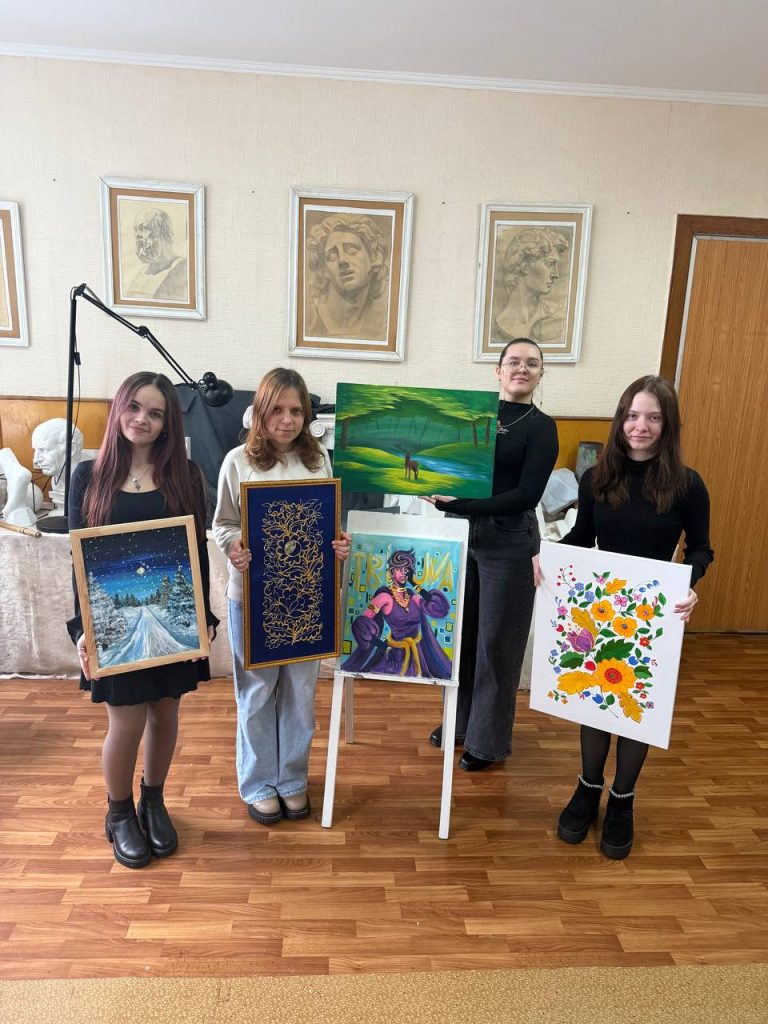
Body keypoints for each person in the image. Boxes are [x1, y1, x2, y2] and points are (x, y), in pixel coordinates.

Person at [542, 375, 713, 859]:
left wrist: (689, 584)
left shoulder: (688, 485)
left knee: (638, 708)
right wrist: (545, 556)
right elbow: (581, 539)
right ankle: (588, 787)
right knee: (596, 700)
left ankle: (622, 799)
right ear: (621, 420)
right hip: (602, 609)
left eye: (654, 418)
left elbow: (701, 549)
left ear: (668, 425)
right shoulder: (596, 478)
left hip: (654, 614)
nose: (641, 426)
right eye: (633, 416)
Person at [67, 371, 218, 869]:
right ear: (118, 409)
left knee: (166, 712)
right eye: (134, 407)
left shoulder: (187, 475)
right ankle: (119, 812)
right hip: (112, 627)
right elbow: (78, 560)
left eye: (155, 413)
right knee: (126, 720)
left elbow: (197, 552)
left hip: (175, 621)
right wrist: (83, 629)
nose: (142, 420)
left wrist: (203, 616)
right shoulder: (88, 476)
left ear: (168, 423)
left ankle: (153, 800)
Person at [212, 368, 350, 826]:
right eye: (277, 410)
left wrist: (339, 542)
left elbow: (328, 522)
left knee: (299, 694)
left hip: (307, 595)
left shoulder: (318, 459)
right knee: (257, 692)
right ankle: (257, 782)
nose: (287, 420)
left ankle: (291, 778)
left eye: (296, 411)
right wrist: (234, 546)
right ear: (260, 411)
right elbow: (223, 523)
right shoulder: (237, 460)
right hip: (252, 596)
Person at [423, 338, 559, 770]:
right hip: (463, 535)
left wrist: (461, 504)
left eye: (532, 363)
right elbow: (444, 462)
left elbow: (526, 495)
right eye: (513, 361)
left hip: (510, 540)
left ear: (540, 374)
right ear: (498, 370)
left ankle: (488, 740)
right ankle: (460, 722)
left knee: (497, 644)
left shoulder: (542, 427)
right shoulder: (471, 416)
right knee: (461, 636)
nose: (522, 368)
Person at [342, 548, 452, 678]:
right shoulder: (384, 597)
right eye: (400, 569)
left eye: (407, 569)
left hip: (418, 655)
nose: (404, 573)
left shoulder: (412, 596)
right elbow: (361, 625)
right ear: (392, 571)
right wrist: (382, 646)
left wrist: (413, 582)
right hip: (396, 657)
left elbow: (437, 608)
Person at [305, 213, 389, 341]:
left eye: (352, 251)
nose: (342, 260)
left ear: (374, 258)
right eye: (332, 256)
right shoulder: (309, 317)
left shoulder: (384, 318)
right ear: (324, 270)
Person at [492, 228, 569, 346]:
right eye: (549, 264)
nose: (555, 274)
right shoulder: (499, 326)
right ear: (524, 266)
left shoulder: (556, 316)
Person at [127, 209, 188, 302]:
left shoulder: (182, 268)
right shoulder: (144, 271)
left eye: (143, 228)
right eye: (136, 230)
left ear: (162, 231)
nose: (137, 235)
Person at [32, 418, 84, 506]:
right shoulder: (57, 479)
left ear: (71, 448)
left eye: (45, 450)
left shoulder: (86, 482)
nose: (36, 459)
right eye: (35, 450)